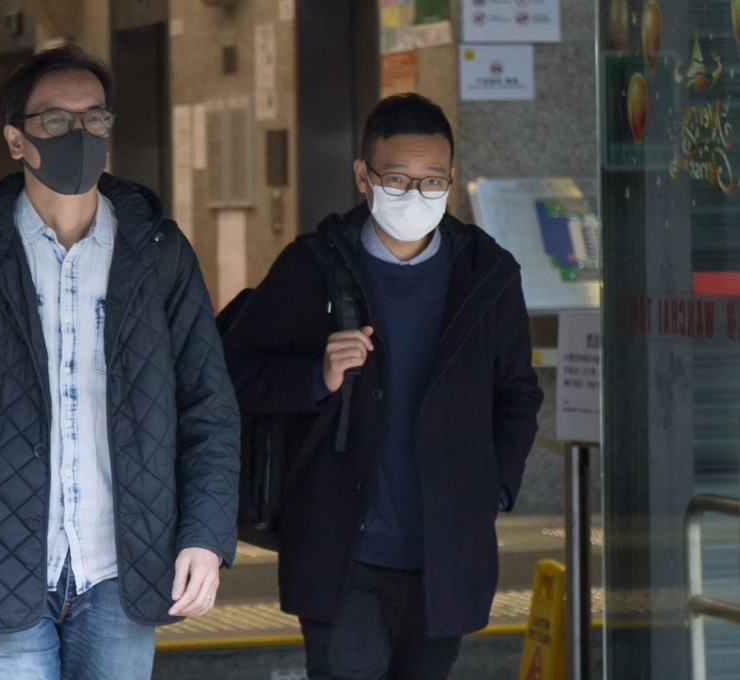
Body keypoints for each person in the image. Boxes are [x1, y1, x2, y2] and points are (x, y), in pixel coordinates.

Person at [0, 45, 240, 680]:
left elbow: (210, 408)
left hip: (124, 567)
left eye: (95, 119)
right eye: (55, 120)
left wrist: (205, 538)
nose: (80, 133)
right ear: (16, 140)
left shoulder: (158, 252)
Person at [222, 93, 543, 680]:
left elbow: (517, 394)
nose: (415, 195)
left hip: (444, 554)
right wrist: (314, 377)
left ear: (451, 179)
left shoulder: (487, 275)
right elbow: (232, 374)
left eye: (432, 181)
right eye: (397, 179)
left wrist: (492, 487)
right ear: (363, 178)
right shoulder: (313, 266)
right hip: (341, 552)